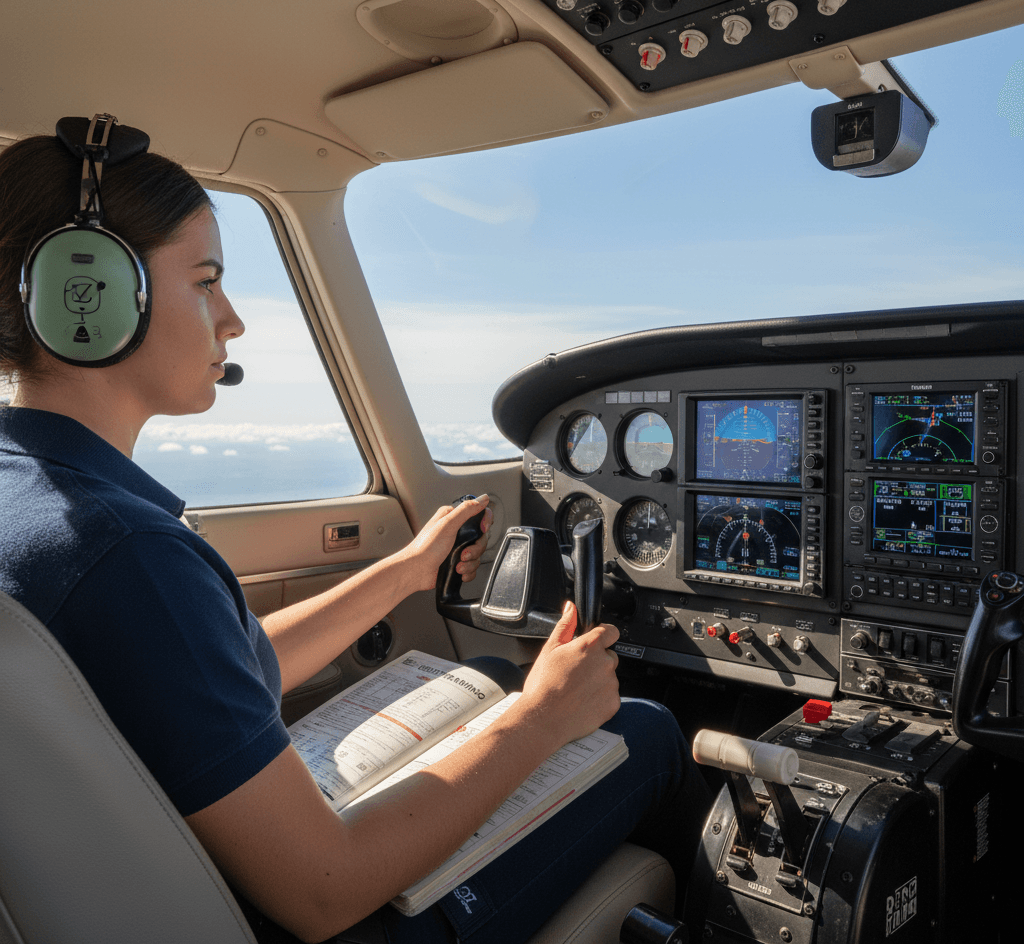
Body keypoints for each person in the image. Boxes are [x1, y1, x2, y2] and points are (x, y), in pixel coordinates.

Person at [0, 126, 711, 944]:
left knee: (482, 672)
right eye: (205, 282)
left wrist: (406, 572)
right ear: (83, 295)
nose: (231, 320)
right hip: (305, 914)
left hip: (147, 886)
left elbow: (228, 672)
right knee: (647, 729)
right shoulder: (125, 552)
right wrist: (547, 720)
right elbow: (326, 889)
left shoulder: (37, 504)